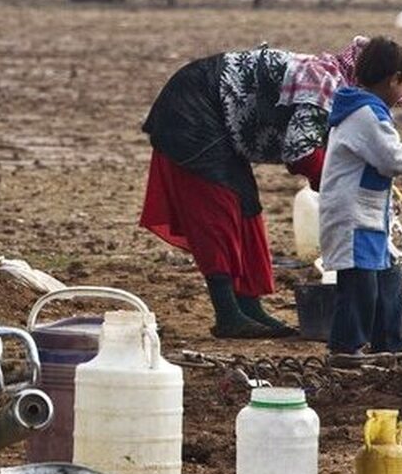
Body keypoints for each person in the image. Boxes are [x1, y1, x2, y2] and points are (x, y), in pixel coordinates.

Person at [140, 37, 369, 339]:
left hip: (219, 116)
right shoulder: (326, 86)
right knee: (218, 206)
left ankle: (249, 307)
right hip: (192, 109)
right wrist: (335, 186)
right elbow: (301, 151)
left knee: (246, 205)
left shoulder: (344, 91)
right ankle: (228, 314)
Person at [319, 37, 402, 358]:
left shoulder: (362, 109)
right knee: (359, 283)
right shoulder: (366, 114)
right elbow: (390, 159)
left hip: (365, 213)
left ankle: (390, 341)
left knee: (387, 276)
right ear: (393, 79)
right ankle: (345, 347)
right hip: (353, 216)